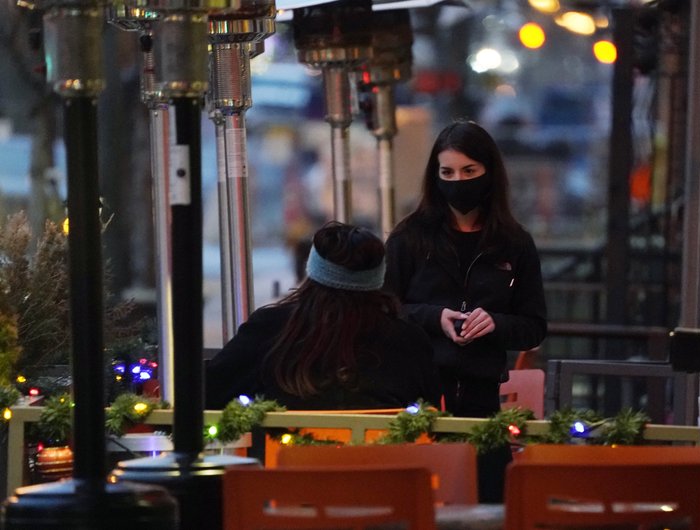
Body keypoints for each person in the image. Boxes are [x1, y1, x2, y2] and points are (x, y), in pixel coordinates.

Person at [384, 120, 548, 501]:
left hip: (483, 402)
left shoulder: (514, 243)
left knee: (491, 500)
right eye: (448, 172)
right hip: (416, 399)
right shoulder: (410, 237)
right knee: (418, 503)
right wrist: (433, 317)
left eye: (469, 171)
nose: (458, 181)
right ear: (435, 176)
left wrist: (495, 323)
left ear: (489, 173)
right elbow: (384, 309)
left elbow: (534, 326)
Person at [205, 221, 441, 411]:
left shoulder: (270, 329)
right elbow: (427, 411)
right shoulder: (408, 340)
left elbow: (210, 393)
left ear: (312, 272)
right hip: (386, 465)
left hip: (284, 465)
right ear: (378, 278)